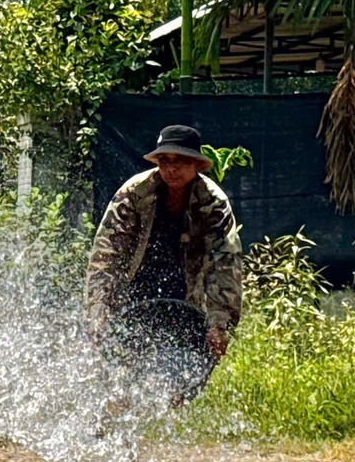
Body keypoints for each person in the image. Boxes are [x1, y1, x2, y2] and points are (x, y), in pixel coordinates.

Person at [85, 124, 243, 380]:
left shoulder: (213, 202)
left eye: (180, 161)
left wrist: (219, 324)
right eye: (165, 160)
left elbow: (225, 264)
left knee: (180, 378)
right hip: (131, 289)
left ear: (196, 164)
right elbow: (106, 256)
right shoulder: (134, 193)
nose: (171, 168)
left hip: (184, 294)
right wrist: (98, 313)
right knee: (120, 377)